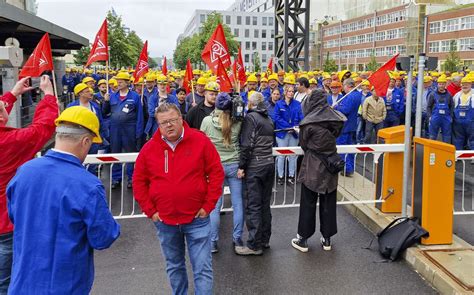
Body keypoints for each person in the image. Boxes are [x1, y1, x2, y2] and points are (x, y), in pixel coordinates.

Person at [7, 106, 120, 294]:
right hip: (66, 284)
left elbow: (15, 216)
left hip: (23, 282)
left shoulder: (25, 171)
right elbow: (103, 237)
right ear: (85, 141)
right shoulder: (88, 185)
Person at [133, 103, 224, 295]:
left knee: (202, 269)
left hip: (197, 220)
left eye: (173, 120)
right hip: (165, 221)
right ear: (158, 125)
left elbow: (216, 172)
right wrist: (151, 211)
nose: (169, 125)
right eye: (164, 122)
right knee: (174, 266)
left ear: (181, 119)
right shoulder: (149, 149)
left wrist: (208, 205)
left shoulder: (200, 141)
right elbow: (139, 182)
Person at [0, 76, 58, 294]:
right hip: (7, 224)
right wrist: (49, 95)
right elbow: (43, 126)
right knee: (10, 280)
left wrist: (12, 94)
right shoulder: (10, 142)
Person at [291, 89, 346, 253]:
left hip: (313, 167)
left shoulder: (308, 123)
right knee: (328, 202)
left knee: (308, 203)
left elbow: (304, 145)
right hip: (330, 165)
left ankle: (303, 239)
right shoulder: (335, 120)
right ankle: (327, 239)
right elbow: (336, 134)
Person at [200, 93, 243, 254]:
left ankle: (213, 241)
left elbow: (202, 141)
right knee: (238, 204)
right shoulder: (237, 122)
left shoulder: (206, 121)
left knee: (215, 206)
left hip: (215, 167)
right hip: (234, 164)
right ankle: (237, 237)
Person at [235, 92, 275, 256]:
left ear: (251, 104)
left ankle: (253, 245)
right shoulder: (268, 119)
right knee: (265, 204)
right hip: (269, 164)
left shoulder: (251, 118)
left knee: (253, 206)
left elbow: (247, 144)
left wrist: (242, 166)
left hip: (255, 166)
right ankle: (264, 239)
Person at [103, 71, 144, 189]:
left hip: (129, 129)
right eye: (118, 80)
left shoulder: (135, 97)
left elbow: (140, 116)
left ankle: (131, 177)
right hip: (115, 130)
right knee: (115, 153)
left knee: (130, 154)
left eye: (121, 81)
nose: (118, 82)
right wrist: (105, 101)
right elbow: (105, 113)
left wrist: (139, 132)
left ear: (127, 83)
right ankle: (116, 178)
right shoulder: (112, 96)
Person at [67, 83, 107, 174]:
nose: (90, 93)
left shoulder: (95, 106)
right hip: (77, 141)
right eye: (87, 91)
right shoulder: (72, 106)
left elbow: (100, 122)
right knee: (77, 162)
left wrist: (102, 136)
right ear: (80, 94)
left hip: (93, 141)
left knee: (92, 164)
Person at [274, 84, 304, 185]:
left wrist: (294, 127)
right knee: (281, 155)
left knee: (293, 155)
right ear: (285, 92)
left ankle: (291, 175)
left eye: (292, 91)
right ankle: (280, 176)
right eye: (289, 91)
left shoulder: (298, 104)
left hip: (294, 133)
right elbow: (277, 118)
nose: (291, 93)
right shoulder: (279, 104)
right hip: (282, 133)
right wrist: (287, 127)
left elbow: (301, 117)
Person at [333, 78, 362, 177]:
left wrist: (337, 106)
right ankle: (351, 168)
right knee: (350, 148)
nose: (343, 88)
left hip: (345, 126)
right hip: (352, 125)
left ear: (347, 86)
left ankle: (346, 169)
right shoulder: (357, 95)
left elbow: (346, 109)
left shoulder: (350, 96)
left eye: (343, 86)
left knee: (342, 148)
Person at [427, 76, 453, 144]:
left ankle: (446, 152)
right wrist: (430, 116)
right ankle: (431, 151)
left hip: (446, 119)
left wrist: (451, 117)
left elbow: (451, 107)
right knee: (432, 136)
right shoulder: (432, 94)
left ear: (445, 84)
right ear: (437, 84)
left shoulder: (449, 95)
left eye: (443, 84)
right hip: (435, 117)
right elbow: (429, 106)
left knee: (447, 137)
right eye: (440, 84)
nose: (441, 86)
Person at [452, 77, 473, 150]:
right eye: (463, 84)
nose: (465, 86)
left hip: (471, 123)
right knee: (458, 140)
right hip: (458, 124)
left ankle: (472, 158)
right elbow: (452, 107)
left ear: (471, 84)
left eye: (467, 84)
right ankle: (458, 157)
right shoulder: (457, 95)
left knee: (472, 140)